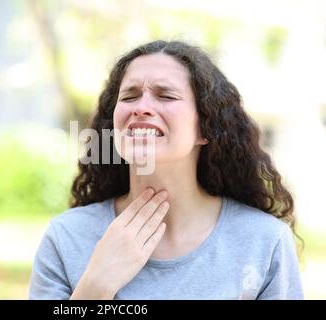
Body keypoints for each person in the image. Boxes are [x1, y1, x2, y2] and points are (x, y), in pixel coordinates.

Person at [28, 40, 304, 300]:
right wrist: (95, 287)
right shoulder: (66, 237)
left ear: (206, 127)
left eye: (166, 95)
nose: (141, 108)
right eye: (129, 96)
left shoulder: (264, 242)